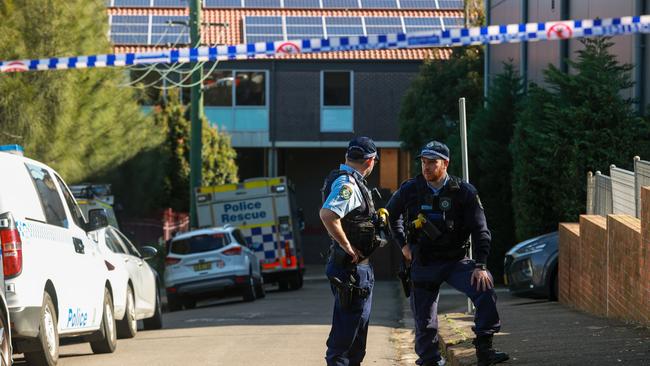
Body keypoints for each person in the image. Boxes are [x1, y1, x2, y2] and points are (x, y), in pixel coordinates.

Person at [386, 141, 509, 366]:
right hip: (423, 262)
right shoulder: (410, 189)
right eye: (423, 162)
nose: (426, 167)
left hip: (456, 261)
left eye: (432, 162)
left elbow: (481, 230)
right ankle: (430, 360)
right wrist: (403, 245)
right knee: (425, 323)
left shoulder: (463, 192)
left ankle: (485, 349)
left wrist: (480, 266)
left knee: (485, 286)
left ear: (446, 163)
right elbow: (391, 216)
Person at [320, 136, 380, 366]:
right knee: (345, 338)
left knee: (356, 335)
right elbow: (328, 215)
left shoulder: (347, 180)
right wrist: (347, 245)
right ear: (370, 161)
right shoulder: (348, 185)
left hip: (353, 270)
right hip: (351, 270)